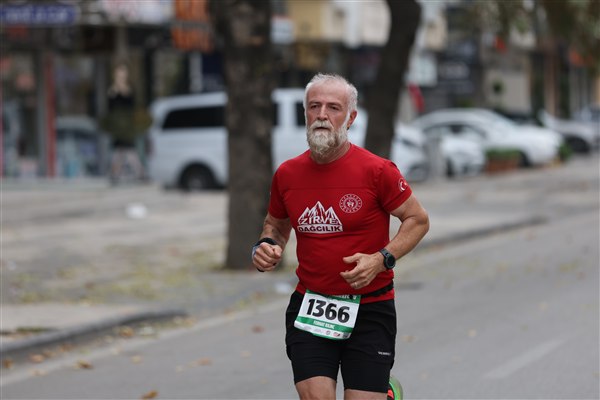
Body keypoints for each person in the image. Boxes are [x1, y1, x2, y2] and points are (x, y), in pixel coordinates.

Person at [252, 73, 430, 400]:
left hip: (370, 307)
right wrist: (267, 245)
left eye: (333, 107)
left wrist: (381, 259)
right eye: (314, 106)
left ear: (351, 117)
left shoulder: (377, 171)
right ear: (305, 113)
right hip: (312, 304)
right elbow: (275, 225)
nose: (322, 115)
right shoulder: (287, 174)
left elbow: (417, 220)